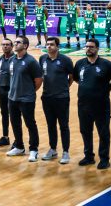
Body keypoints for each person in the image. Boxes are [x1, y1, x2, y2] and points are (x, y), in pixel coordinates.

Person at [73, 38, 111, 169]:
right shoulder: (80, 63)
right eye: (86, 47)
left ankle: (104, 159)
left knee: (103, 133)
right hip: (83, 104)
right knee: (85, 131)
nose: (88, 49)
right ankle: (89, 156)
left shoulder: (106, 64)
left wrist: (105, 89)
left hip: (101, 105)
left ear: (97, 48)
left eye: (91, 47)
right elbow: (76, 78)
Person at [6, 35, 43, 162]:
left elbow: (38, 81)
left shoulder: (31, 61)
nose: (15, 44)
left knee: (30, 124)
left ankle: (33, 149)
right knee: (15, 123)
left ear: (25, 46)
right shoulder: (12, 60)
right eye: (15, 42)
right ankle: (19, 146)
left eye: (18, 42)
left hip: (26, 99)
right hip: (12, 98)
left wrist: (29, 92)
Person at [39, 36, 74, 164]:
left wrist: (63, 89)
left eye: (52, 44)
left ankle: (66, 152)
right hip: (47, 98)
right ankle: (53, 149)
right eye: (47, 44)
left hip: (62, 98)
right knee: (51, 125)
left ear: (57, 47)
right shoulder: (42, 59)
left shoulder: (65, 60)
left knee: (64, 126)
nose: (49, 46)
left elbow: (71, 77)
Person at [0, 38, 14, 148]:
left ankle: (17, 140)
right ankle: (5, 137)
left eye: (7, 44)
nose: (5, 46)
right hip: (2, 88)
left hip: (12, 89)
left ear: (12, 46)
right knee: (4, 113)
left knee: (15, 115)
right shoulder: (0, 59)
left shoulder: (15, 59)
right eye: (3, 45)